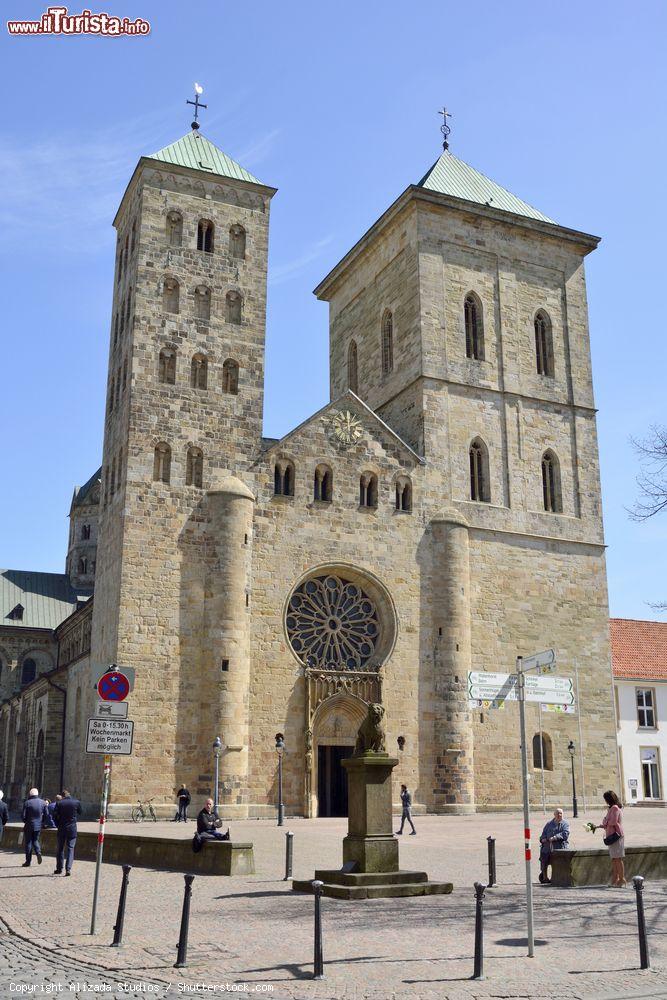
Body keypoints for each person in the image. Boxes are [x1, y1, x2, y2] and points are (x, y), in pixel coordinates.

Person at [591, 790, 625, 887]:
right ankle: (615, 879)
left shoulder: (614, 808)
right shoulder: (611, 808)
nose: (605, 801)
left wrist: (605, 821)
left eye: (605, 799)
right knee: (614, 859)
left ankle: (622, 879)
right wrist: (597, 826)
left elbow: (613, 822)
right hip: (611, 835)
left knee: (618, 858)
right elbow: (608, 823)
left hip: (616, 835)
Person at [53, 789, 82, 876]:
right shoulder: (76, 802)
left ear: (62, 796)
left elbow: (54, 815)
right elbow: (80, 812)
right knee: (70, 849)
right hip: (72, 829)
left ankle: (59, 868)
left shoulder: (59, 803)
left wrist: (58, 824)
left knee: (60, 849)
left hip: (62, 828)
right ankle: (68, 869)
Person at [538, 807, 570, 883]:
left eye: (561, 813)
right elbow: (543, 834)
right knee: (544, 859)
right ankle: (545, 877)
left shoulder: (565, 824)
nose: (559, 815)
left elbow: (565, 834)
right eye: (558, 813)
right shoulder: (549, 824)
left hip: (559, 847)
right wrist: (543, 839)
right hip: (547, 847)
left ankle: (556, 877)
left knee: (558, 863)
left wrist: (555, 837)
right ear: (554, 814)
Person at [21, 788, 47, 867]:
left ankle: (28, 861)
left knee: (28, 843)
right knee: (35, 840)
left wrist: (26, 821)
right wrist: (41, 822)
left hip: (29, 825)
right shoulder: (43, 802)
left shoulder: (27, 803)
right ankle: (38, 852)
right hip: (38, 826)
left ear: (30, 794)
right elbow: (46, 814)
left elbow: (23, 816)